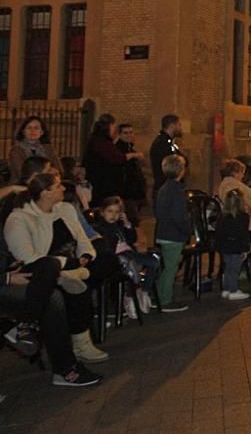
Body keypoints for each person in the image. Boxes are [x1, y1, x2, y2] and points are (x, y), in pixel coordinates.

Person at [3, 172, 109, 363]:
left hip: (72, 263)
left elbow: (82, 239)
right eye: (58, 186)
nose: (63, 189)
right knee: (67, 291)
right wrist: (69, 265)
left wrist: (85, 256)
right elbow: (28, 259)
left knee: (104, 253)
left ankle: (81, 339)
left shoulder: (65, 209)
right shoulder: (21, 219)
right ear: (46, 193)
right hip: (45, 269)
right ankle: (77, 347)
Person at [90, 196, 159, 317]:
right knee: (130, 265)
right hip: (115, 256)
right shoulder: (99, 227)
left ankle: (144, 291)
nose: (113, 215)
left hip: (129, 252)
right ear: (102, 212)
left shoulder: (120, 225)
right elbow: (106, 246)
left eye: (117, 212)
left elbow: (132, 239)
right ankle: (129, 296)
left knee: (154, 261)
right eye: (110, 211)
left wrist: (127, 225)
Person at [154, 154, 190, 313]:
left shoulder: (164, 188)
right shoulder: (177, 190)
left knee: (167, 267)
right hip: (173, 234)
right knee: (171, 268)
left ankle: (160, 296)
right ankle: (165, 300)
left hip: (163, 232)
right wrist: (186, 231)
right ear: (181, 171)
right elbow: (178, 216)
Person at [83, 116, 137, 203]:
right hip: (102, 185)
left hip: (105, 184)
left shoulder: (100, 141)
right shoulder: (101, 142)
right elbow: (117, 158)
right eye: (113, 126)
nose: (114, 130)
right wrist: (134, 155)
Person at [216, 189, 251, 301]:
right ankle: (233, 290)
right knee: (235, 269)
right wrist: (245, 248)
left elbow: (219, 232)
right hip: (237, 246)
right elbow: (244, 234)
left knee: (227, 268)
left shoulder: (222, 216)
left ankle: (226, 289)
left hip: (225, 246)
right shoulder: (243, 217)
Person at [7, 116, 60, 184]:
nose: (33, 131)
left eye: (36, 128)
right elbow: (21, 174)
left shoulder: (49, 148)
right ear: (23, 131)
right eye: (29, 128)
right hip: (22, 187)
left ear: (42, 132)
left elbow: (58, 169)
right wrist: (47, 171)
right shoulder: (16, 150)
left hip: (49, 184)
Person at [115, 123, 147, 225]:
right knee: (132, 221)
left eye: (130, 132)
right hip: (126, 193)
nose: (129, 135)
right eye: (125, 133)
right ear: (119, 135)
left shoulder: (130, 148)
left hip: (134, 193)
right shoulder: (118, 150)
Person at [150, 114, 183, 202]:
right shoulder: (162, 143)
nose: (181, 128)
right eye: (179, 125)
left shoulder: (169, 142)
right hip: (165, 188)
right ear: (172, 126)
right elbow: (172, 163)